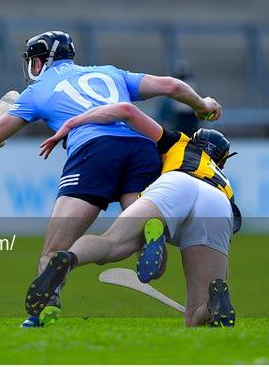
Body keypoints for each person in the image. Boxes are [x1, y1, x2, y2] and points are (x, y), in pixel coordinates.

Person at [0, 31, 223, 327]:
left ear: (40, 62)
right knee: (133, 230)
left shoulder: (36, 91)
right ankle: (150, 232)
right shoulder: (110, 72)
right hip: (142, 148)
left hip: (94, 152)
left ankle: (43, 308)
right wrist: (201, 104)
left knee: (55, 247)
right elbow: (170, 85)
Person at [25, 102, 240, 327]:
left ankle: (69, 259)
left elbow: (128, 111)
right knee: (195, 312)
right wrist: (220, 278)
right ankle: (213, 305)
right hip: (219, 203)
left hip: (176, 184)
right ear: (221, 160)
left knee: (112, 243)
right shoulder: (226, 183)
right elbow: (226, 239)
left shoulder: (179, 142)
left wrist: (72, 122)